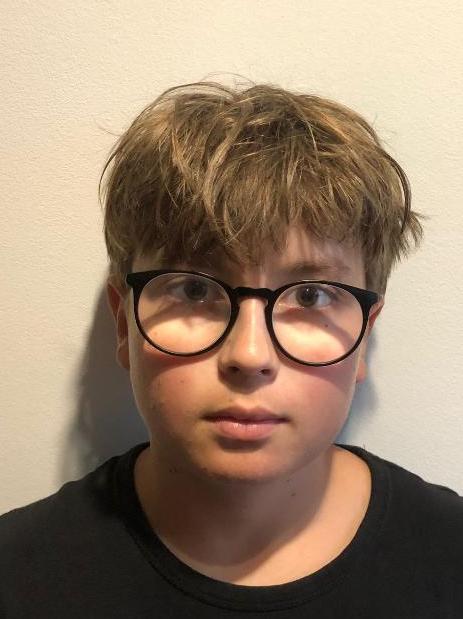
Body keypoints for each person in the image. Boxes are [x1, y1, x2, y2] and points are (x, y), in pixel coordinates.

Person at [1, 79, 462, 618]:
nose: (249, 355)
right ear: (124, 323)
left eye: (310, 295)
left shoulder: (449, 558)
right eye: (194, 290)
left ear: (363, 337)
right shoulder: (18, 575)